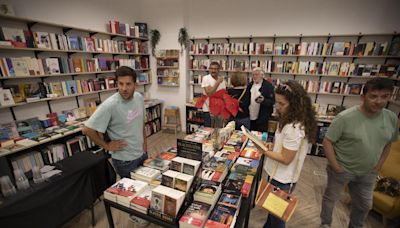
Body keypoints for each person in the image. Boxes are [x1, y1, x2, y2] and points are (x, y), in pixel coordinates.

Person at [320, 78, 398, 228]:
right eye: (373, 96)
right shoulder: (345, 117)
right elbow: (327, 142)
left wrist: (378, 166)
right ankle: (325, 223)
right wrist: (336, 167)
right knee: (331, 199)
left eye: (384, 96)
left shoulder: (391, 118)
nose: (379, 101)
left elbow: (388, 143)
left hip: (369, 172)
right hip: (342, 169)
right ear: (363, 97)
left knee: (364, 205)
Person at [256, 80, 317, 228]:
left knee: (277, 218)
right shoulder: (289, 119)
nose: (278, 106)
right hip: (277, 174)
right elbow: (283, 148)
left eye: (282, 104)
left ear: (295, 103)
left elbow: (286, 158)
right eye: (277, 102)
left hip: (283, 178)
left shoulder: (295, 127)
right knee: (272, 212)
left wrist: (264, 151)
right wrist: (272, 146)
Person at [82, 66, 148, 178]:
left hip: (141, 154)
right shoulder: (109, 105)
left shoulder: (139, 98)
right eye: (120, 84)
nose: (124, 88)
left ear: (135, 85)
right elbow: (87, 129)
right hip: (125, 161)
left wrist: (145, 149)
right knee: (130, 192)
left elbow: (141, 124)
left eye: (128, 84)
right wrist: (107, 146)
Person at [245, 67, 275, 132]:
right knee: (249, 134)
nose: (254, 76)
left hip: (262, 117)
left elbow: (272, 101)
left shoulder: (268, 86)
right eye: (253, 75)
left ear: (262, 75)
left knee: (260, 136)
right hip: (250, 116)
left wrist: (264, 100)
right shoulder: (250, 85)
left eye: (256, 74)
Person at [201, 61, 227, 127]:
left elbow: (223, 96)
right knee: (208, 131)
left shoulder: (223, 81)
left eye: (215, 69)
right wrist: (217, 83)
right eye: (211, 68)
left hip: (219, 111)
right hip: (208, 111)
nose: (213, 70)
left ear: (219, 70)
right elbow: (209, 93)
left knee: (219, 131)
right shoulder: (206, 78)